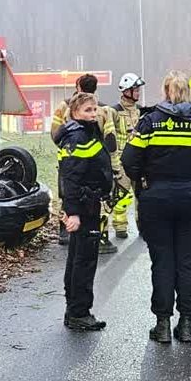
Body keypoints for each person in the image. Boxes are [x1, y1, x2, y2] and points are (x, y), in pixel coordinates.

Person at [121, 71, 191, 343]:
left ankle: (162, 324)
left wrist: (144, 181)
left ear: (166, 91)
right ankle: (185, 324)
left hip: (157, 199)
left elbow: (129, 160)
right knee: (187, 261)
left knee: (162, 261)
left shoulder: (150, 123)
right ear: (189, 92)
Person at [56, 92, 113, 331]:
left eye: (94, 109)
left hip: (87, 203)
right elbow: (70, 178)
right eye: (87, 110)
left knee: (79, 258)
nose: (93, 113)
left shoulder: (85, 133)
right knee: (84, 260)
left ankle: (74, 310)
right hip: (83, 206)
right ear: (74, 113)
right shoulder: (77, 136)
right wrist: (74, 213)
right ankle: (79, 312)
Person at [51, 74, 118, 250]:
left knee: (66, 191)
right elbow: (111, 140)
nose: (92, 114)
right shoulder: (104, 109)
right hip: (95, 164)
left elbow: (55, 134)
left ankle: (64, 229)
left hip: (69, 159)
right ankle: (101, 236)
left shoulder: (63, 107)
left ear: (78, 86)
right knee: (96, 202)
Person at [109, 72, 146, 241]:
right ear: (126, 91)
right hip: (122, 160)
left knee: (141, 195)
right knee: (120, 195)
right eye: (135, 90)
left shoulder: (140, 111)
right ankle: (120, 226)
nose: (138, 93)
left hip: (139, 160)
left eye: (138, 90)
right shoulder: (114, 111)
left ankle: (142, 226)